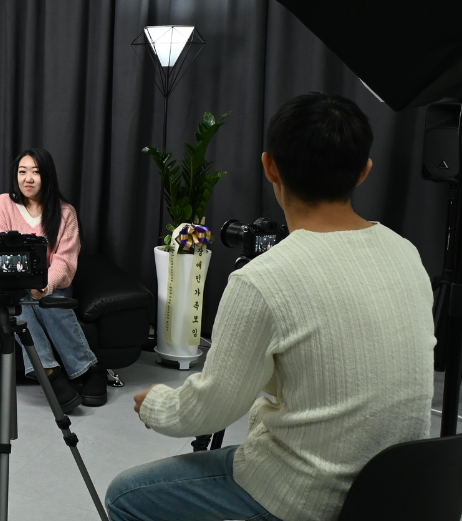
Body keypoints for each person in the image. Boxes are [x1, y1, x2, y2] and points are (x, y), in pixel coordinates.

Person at [104, 92, 436, 521]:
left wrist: (156, 404)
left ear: (269, 166)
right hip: (396, 493)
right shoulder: (405, 252)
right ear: (364, 171)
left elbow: (213, 408)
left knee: (125, 495)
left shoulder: (263, 279)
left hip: (307, 497)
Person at [0, 147, 103, 413]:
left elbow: (65, 260)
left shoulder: (65, 213)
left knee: (49, 303)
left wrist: (44, 284)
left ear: (47, 176)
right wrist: (22, 281)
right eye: (22, 172)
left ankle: (89, 369)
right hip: (5, 284)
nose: (28, 178)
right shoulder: (3, 203)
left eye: (35, 172)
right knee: (18, 306)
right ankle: (50, 373)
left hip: (48, 283)